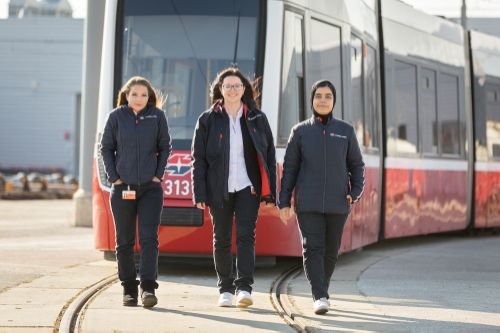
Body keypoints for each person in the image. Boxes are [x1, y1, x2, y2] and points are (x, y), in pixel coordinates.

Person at [191, 68, 277, 308]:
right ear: (220, 89)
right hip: (218, 189)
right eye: (227, 86)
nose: (232, 90)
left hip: (247, 187)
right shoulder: (207, 119)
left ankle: (244, 288)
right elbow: (198, 159)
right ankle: (225, 289)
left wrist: (272, 191)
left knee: (246, 237)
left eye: (236, 86)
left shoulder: (257, 118)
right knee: (221, 239)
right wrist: (199, 192)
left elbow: (269, 155)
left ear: (243, 89)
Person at [278, 80, 365, 315]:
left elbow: (357, 165)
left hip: (339, 203)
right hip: (308, 203)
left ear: (333, 100)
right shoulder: (300, 132)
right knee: (312, 249)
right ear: (312, 100)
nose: (323, 100)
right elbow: (290, 170)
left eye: (328, 96)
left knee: (330, 251)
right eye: (318, 96)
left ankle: (321, 290)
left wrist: (354, 192)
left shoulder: (345, 131)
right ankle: (320, 296)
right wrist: (284, 202)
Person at [100, 76, 171, 308]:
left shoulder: (157, 116)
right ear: (126, 95)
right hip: (122, 189)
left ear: (149, 97)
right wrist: (116, 179)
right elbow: (106, 148)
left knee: (150, 239)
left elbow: (164, 146)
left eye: (143, 95)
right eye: (134, 94)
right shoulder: (116, 117)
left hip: (150, 189)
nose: (139, 99)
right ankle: (129, 289)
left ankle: (148, 288)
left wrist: (157, 176)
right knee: (124, 241)